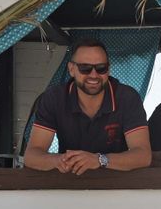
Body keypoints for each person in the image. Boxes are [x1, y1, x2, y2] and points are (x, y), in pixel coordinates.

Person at [23, 38, 150, 173]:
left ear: (109, 69)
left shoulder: (127, 97)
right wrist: (58, 160)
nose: (93, 75)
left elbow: (143, 155)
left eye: (101, 68)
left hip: (117, 185)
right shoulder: (54, 98)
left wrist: (99, 160)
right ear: (71, 69)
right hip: (69, 184)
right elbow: (31, 156)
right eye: (85, 68)